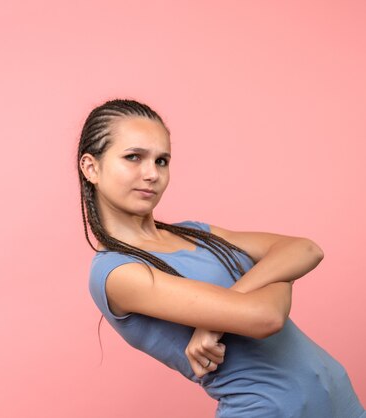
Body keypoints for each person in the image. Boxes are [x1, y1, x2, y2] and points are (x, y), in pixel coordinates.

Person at [78, 98, 365, 417]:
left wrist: (213, 327)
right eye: (133, 157)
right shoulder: (118, 272)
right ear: (91, 167)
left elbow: (306, 249)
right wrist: (277, 272)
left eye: (162, 161)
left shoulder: (193, 232)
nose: (151, 174)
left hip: (338, 399)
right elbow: (265, 317)